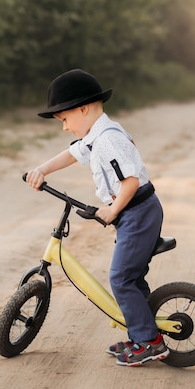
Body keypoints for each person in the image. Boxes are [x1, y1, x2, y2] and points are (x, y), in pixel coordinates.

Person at [25, 69, 169, 367]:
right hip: (135, 213)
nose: (64, 127)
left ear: (83, 109)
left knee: (120, 278)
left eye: (64, 119)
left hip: (138, 212)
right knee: (131, 276)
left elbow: (130, 182)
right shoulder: (96, 135)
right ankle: (142, 331)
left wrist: (112, 211)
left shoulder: (107, 140)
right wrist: (41, 170)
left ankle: (150, 342)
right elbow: (71, 154)